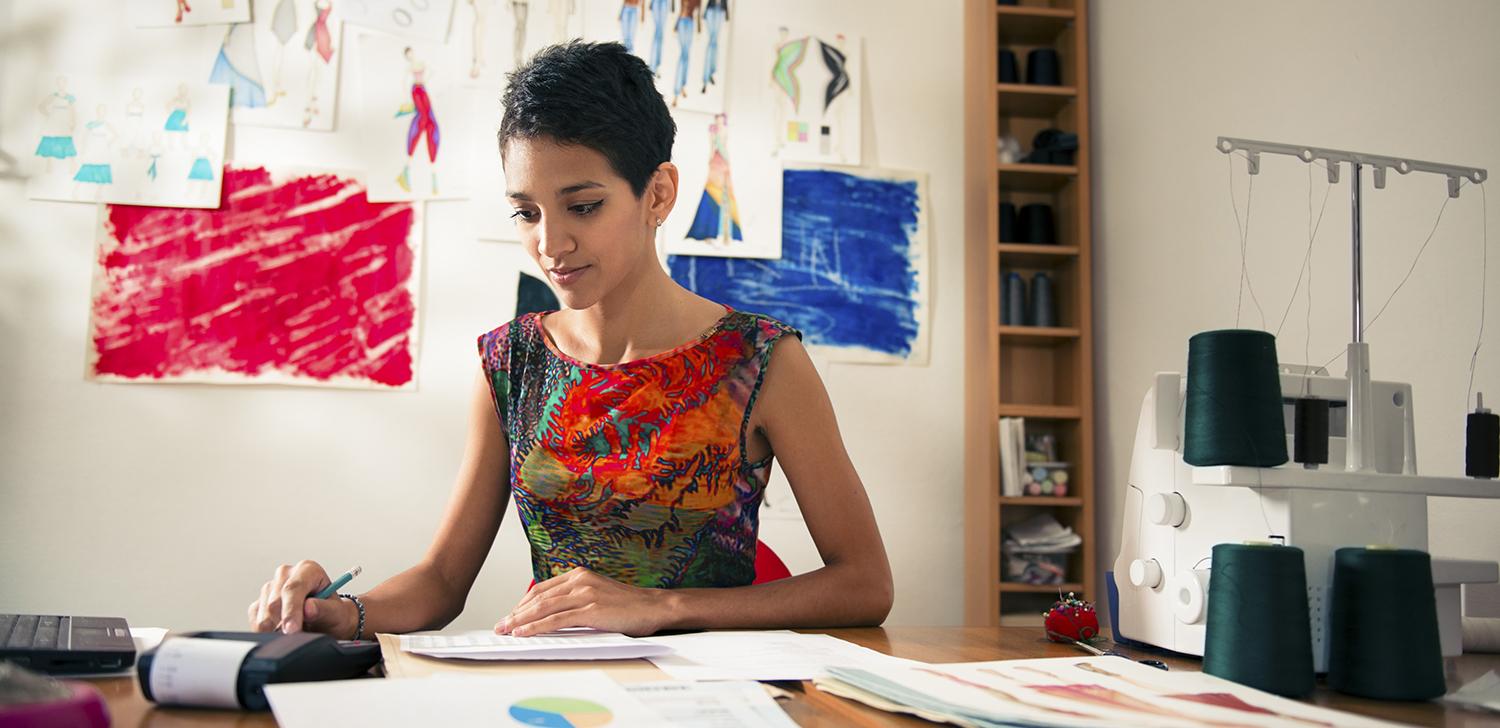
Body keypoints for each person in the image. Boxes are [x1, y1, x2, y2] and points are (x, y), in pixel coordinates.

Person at [246, 41, 892, 641]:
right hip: (557, 680)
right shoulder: (510, 363)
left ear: (658, 194)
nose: (550, 245)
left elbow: (865, 585)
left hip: (713, 696)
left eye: (582, 206)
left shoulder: (761, 361)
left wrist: (662, 607)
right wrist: (335, 612)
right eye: (527, 212)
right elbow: (441, 582)